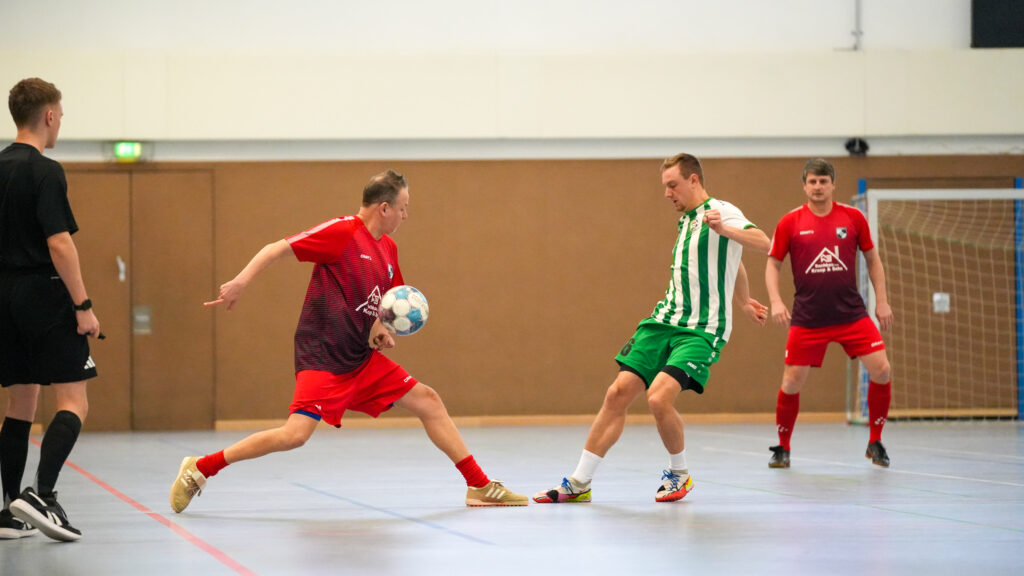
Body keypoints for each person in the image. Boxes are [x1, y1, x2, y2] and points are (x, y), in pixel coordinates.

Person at [169, 169, 527, 513]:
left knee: (428, 401)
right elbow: (275, 248)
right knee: (295, 435)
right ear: (383, 208)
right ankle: (202, 467)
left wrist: (380, 329)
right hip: (322, 356)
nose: (406, 215)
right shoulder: (342, 231)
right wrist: (240, 282)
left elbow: (379, 303)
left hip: (359, 358)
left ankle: (478, 485)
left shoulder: (388, 250)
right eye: (403, 207)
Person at [534, 153, 770, 504]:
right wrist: (744, 299)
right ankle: (579, 482)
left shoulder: (722, 211)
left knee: (658, 397)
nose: (667, 193)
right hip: (663, 320)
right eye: (665, 186)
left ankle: (680, 474)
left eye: (672, 185)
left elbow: (765, 242)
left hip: (702, 329)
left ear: (693, 180)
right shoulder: (687, 221)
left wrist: (725, 228)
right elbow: (731, 263)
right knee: (617, 393)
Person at [1, 78, 101, 542]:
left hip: (3, 295)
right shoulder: (46, 170)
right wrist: (82, 305)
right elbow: (59, 242)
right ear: (50, 116)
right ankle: (42, 494)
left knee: (19, 402)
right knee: (74, 400)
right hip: (43, 293)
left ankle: (9, 512)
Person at [764, 158, 894, 469]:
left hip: (851, 314)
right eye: (812, 182)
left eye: (824, 181)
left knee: (882, 370)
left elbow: (873, 260)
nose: (818, 187)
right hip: (809, 317)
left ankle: (875, 441)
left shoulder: (853, 218)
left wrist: (882, 300)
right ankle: (782, 447)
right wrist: (776, 301)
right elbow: (773, 263)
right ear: (805, 186)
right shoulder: (790, 222)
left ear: (833, 184)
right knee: (792, 381)